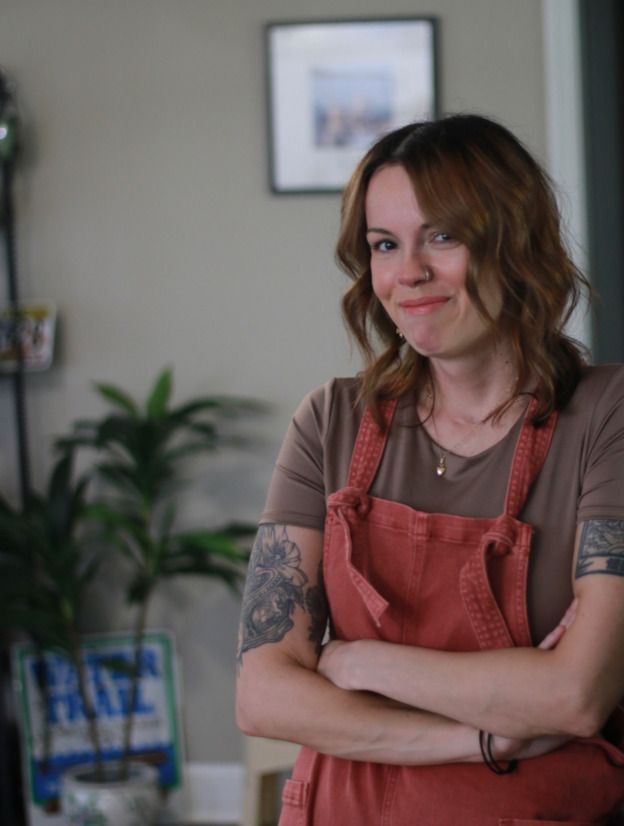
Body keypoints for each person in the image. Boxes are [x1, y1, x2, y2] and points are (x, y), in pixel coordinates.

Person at [235, 114, 624, 824]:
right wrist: (478, 736)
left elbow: (577, 695)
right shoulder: (331, 422)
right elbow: (262, 694)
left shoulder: (607, 416)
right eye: (386, 244)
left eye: (441, 236)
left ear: (515, 243)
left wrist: (359, 664)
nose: (407, 271)